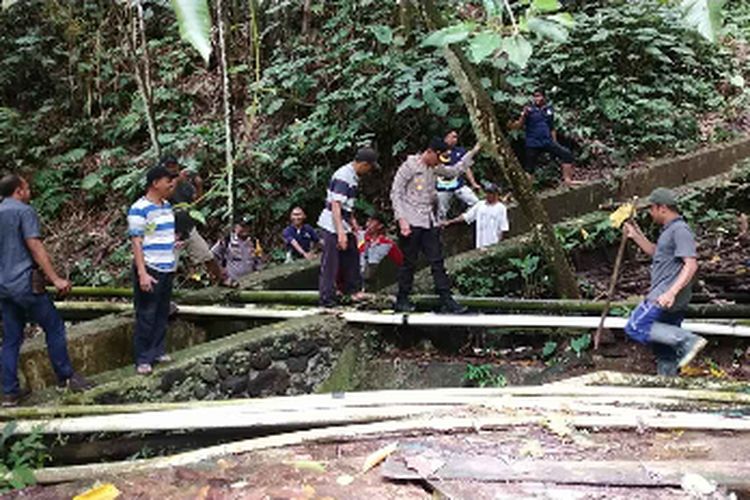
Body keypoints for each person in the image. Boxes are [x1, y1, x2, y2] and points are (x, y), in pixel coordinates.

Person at [0, 174, 93, 406]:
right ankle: (66, 377)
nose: (30, 191)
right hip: (24, 282)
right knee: (54, 326)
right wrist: (55, 278)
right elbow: (35, 245)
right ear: (19, 191)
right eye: (27, 188)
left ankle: (9, 392)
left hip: (3, 286)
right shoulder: (23, 211)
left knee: (11, 338)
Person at [391, 137, 481, 313]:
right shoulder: (409, 166)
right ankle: (402, 298)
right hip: (410, 221)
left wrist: (474, 151)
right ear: (430, 152)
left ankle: (446, 299)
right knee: (409, 262)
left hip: (428, 220)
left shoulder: (435, 168)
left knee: (437, 261)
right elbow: (396, 193)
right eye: (438, 157)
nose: (439, 162)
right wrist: (401, 219)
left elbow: (454, 171)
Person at [622, 187, 707, 376]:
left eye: (652, 209)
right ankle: (668, 388)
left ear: (662, 208)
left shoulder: (680, 230)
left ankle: (688, 341)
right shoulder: (669, 231)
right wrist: (636, 236)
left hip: (665, 297)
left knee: (635, 326)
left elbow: (691, 265)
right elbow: (656, 253)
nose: (651, 214)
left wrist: (671, 293)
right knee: (665, 353)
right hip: (667, 297)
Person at [128, 165, 178, 375]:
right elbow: (137, 242)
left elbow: (157, 234)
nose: (171, 184)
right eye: (168, 180)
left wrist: (172, 242)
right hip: (150, 267)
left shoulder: (166, 206)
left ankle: (157, 350)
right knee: (146, 314)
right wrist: (142, 273)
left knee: (161, 312)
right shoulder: (139, 208)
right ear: (155, 183)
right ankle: (143, 358)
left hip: (167, 266)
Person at [317, 147, 378, 307]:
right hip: (332, 224)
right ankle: (326, 298)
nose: (369, 171)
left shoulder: (353, 176)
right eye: (369, 167)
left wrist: (353, 223)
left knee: (351, 254)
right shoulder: (344, 176)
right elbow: (336, 205)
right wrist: (340, 234)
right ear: (364, 164)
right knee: (331, 262)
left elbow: (346, 206)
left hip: (343, 222)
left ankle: (352, 290)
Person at [160, 156, 230, 286]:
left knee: (206, 256)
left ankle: (221, 279)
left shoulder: (183, 184)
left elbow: (197, 202)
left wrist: (199, 185)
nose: (172, 170)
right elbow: (166, 196)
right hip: (170, 233)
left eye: (174, 167)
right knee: (168, 268)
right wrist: (176, 179)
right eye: (168, 168)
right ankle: (163, 299)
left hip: (188, 228)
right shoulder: (158, 184)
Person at [509, 88, 578, 186]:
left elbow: (552, 127)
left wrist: (554, 142)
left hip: (547, 141)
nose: (537, 98)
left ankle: (567, 180)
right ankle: (528, 190)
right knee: (529, 168)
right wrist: (523, 115)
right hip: (533, 143)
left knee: (567, 155)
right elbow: (518, 125)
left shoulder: (548, 109)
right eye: (535, 96)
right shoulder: (529, 110)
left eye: (539, 96)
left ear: (544, 97)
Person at [442, 182, 509, 249]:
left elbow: (503, 228)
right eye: (487, 192)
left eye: (490, 193)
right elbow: (466, 216)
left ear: (496, 194)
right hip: (480, 244)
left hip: (494, 243)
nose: (488, 195)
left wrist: (499, 245)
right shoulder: (480, 205)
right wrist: (450, 222)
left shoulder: (501, 208)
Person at [436, 130, 482, 221]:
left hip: (459, 185)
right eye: (452, 137)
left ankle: (464, 218)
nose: (455, 139)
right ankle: (442, 228)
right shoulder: (437, 152)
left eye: (456, 137)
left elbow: (466, 168)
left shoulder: (460, 151)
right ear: (446, 138)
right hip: (442, 187)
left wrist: (473, 183)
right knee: (441, 212)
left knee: (477, 203)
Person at [211, 218, 263, 282]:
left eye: (247, 226)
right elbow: (212, 255)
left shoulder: (254, 241)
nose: (245, 229)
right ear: (235, 227)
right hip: (232, 282)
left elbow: (258, 259)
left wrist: (258, 273)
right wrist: (220, 270)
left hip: (250, 282)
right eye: (242, 226)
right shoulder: (227, 240)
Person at [358, 213, 404, 283]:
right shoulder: (361, 238)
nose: (368, 224)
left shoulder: (387, 244)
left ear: (380, 226)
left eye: (372, 222)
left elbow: (400, 261)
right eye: (368, 221)